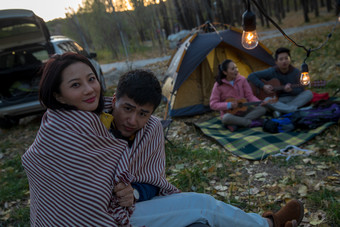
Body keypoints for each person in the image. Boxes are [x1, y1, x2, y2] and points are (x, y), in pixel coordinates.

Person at [22, 52, 304, 227]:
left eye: (91, 79)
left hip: (130, 208)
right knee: (202, 207)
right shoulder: (62, 131)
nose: (88, 90)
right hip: (101, 219)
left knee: (199, 214)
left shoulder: (135, 123)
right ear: (57, 95)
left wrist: (132, 192)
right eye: (75, 85)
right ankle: (269, 224)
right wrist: (112, 194)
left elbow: (151, 181)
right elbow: (61, 188)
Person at [248, 47, 313, 118]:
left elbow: (301, 90)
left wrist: (292, 90)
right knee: (267, 100)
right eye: (281, 59)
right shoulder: (272, 71)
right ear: (276, 62)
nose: (284, 61)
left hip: (292, 98)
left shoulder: (296, 72)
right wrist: (263, 86)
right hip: (278, 100)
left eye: (286, 58)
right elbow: (252, 76)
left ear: (289, 59)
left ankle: (280, 111)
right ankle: (294, 110)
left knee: (309, 93)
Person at [210, 59, 270, 131]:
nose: (236, 70)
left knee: (262, 109)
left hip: (244, 111)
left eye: (236, 67)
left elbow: (249, 96)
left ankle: (237, 123)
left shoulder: (242, 79)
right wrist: (229, 105)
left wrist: (259, 102)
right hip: (230, 114)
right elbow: (213, 104)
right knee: (226, 118)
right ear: (225, 72)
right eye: (233, 69)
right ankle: (250, 123)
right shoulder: (218, 85)